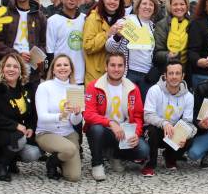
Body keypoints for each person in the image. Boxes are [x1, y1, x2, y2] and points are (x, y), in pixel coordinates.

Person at [83, 52, 150, 180]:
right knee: (95, 128)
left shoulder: (133, 88)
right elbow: (88, 114)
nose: (116, 69)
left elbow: (137, 116)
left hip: (124, 132)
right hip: (104, 130)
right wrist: (110, 123)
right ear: (106, 67)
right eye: (112, 65)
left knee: (143, 150)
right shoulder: (94, 86)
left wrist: (136, 133)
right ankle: (97, 164)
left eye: (120, 65)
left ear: (125, 68)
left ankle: (114, 155)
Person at [0, 52, 42, 182]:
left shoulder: (25, 89)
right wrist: (16, 126)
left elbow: (32, 113)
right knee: (20, 139)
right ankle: (1, 165)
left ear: (21, 70)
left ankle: (10, 160)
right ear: (2, 68)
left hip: (17, 133)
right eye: (8, 66)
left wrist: (30, 127)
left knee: (33, 153)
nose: (11, 69)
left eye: (15, 67)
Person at [35, 54, 84, 182]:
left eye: (66, 65)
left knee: (73, 177)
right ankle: (51, 163)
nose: (62, 68)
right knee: (70, 149)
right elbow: (42, 117)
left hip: (68, 133)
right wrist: (60, 116)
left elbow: (75, 122)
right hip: (47, 133)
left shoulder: (75, 88)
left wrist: (77, 114)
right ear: (53, 69)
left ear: (71, 69)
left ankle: (58, 159)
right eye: (58, 65)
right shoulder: (44, 87)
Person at [143, 60, 197, 175]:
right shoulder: (154, 90)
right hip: (156, 129)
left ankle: (170, 157)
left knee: (189, 138)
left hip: (173, 133)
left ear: (183, 76)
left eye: (177, 73)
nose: (174, 77)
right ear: (165, 76)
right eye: (171, 73)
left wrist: (185, 135)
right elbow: (147, 116)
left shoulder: (188, 96)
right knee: (152, 130)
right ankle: (150, 164)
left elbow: (188, 122)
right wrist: (164, 123)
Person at [0, 0, 47, 79]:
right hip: (9, 67)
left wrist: (36, 56)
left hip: (32, 69)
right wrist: (16, 54)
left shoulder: (39, 16)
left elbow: (43, 43)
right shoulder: (3, 14)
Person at [106, 0, 158, 99]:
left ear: (154, 8)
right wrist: (118, 36)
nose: (147, 7)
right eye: (144, 4)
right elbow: (109, 47)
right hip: (128, 73)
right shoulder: (126, 21)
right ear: (138, 6)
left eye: (151, 4)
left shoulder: (154, 27)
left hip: (147, 76)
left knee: (142, 108)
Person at [82, 0, 124, 84]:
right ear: (103, 0)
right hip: (96, 73)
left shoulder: (122, 20)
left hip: (115, 72)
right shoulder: (93, 18)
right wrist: (107, 34)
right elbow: (88, 46)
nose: (112, 2)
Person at [46, 0, 86, 86]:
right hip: (60, 76)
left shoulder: (85, 19)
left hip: (80, 76)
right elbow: (50, 50)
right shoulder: (53, 20)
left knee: (76, 102)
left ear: (78, 0)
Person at [153, 0, 191, 76]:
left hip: (188, 71)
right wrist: (168, 55)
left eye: (182, 4)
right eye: (175, 4)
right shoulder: (161, 25)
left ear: (187, 6)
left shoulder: (193, 23)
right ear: (170, 6)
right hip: (168, 71)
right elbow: (157, 53)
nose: (179, 7)